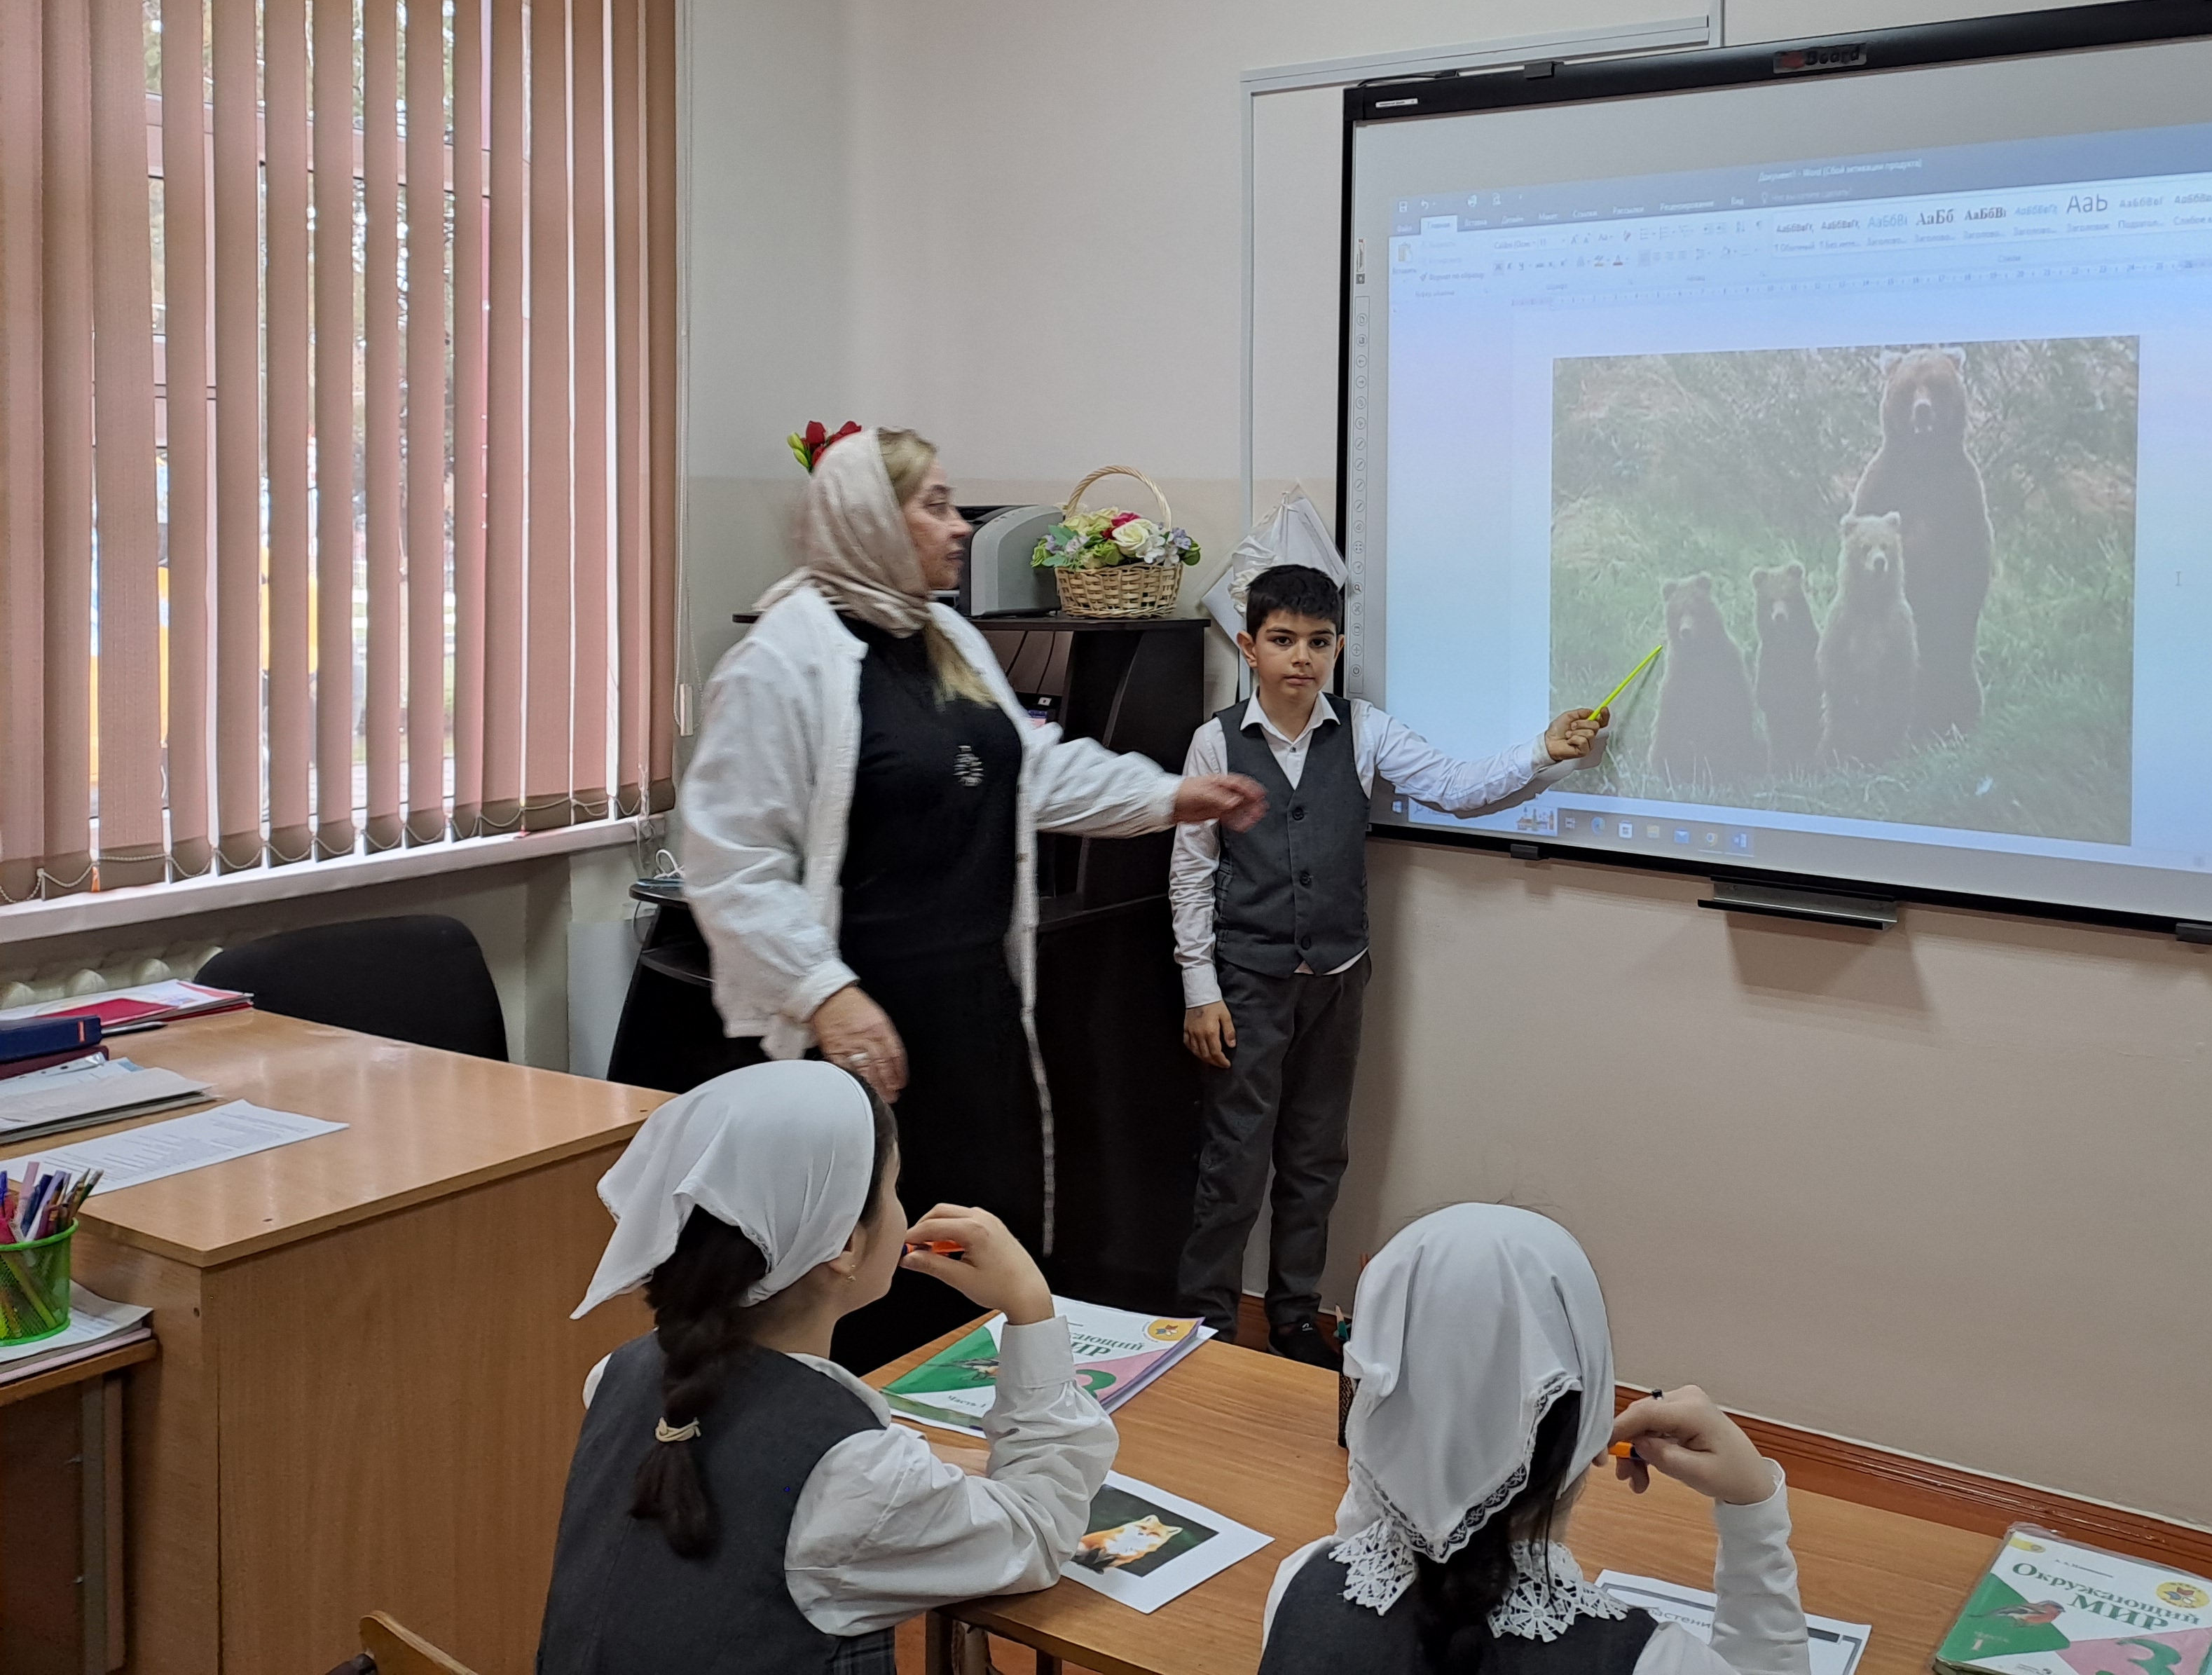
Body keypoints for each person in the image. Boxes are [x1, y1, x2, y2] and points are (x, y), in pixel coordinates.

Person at [680, 426, 1265, 1372]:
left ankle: (974, 1437)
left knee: (977, 1247)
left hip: (976, 1014)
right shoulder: (782, 659)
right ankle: (865, 1437)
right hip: (861, 1035)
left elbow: (1032, 772)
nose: (961, 528)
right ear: (871, 519)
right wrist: (826, 993)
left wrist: (1168, 797)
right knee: (867, 1271)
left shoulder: (947, 639)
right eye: (936, 505)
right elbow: (730, 861)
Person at [538, 1062, 1114, 1675]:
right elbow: (1039, 1530)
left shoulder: (617, 1374)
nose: (904, 1212)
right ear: (843, 1245)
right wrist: (1030, 1307)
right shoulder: (854, 1476)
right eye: (894, 1189)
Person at [1169, 564, 1602, 1362]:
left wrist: (1543, 750)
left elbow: (1456, 787)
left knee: (1316, 1155)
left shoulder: (1364, 730)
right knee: (1234, 1161)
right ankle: (1208, 1329)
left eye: (1319, 642)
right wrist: (1201, 990)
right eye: (1283, 640)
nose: (1302, 657)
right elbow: (1190, 873)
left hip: (1338, 981)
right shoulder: (1214, 741)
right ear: (1249, 647)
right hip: (1246, 983)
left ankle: (1294, 1316)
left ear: (1336, 649)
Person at [1257, 1203, 1807, 1675]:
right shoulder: (1650, 1661)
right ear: (1592, 1430)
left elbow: (1361, 1538)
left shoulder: (1299, 1587)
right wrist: (1753, 1508)